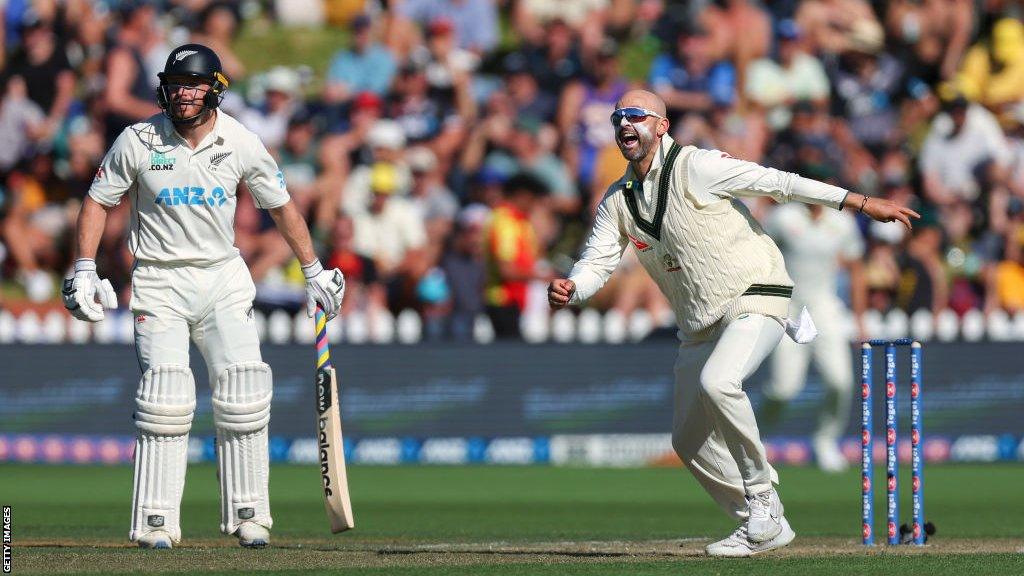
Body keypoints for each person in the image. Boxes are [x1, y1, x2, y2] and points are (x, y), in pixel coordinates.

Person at [547, 90, 918, 557]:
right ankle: (761, 522)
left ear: (661, 126)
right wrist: (574, 287)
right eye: (618, 116)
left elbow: (777, 183)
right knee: (687, 440)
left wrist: (859, 203)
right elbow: (597, 261)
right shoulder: (617, 198)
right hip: (700, 321)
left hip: (756, 291)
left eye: (636, 115)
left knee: (718, 383)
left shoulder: (698, 166)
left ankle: (763, 497)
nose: (625, 122)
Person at [61, 44, 345, 550]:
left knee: (244, 392)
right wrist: (84, 267)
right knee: (165, 396)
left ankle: (248, 515)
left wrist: (314, 270)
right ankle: (156, 522)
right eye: (175, 84)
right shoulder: (139, 140)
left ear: (215, 88)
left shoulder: (240, 141)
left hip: (221, 277)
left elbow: (282, 207)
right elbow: (97, 202)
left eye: (193, 84)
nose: (183, 93)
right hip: (158, 280)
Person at [760, 202, 867, 473]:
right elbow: (760, 255)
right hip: (788, 307)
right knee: (783, 388)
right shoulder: (783, 217)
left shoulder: (842, 222)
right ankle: (753, 439)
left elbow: (856, 268)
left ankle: (825, 440)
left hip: (824, 308)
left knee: (840, 382)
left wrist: (860, 319)